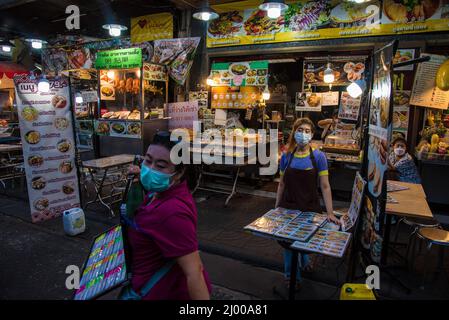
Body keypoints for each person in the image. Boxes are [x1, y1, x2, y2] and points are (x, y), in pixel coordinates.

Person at [123, 131, 211, 300]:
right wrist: (140, 176)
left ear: (178, 173)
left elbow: (195, 272)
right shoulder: (160, 191)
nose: (150, 169)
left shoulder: (172, 213)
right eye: (148, 160)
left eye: (161, 166)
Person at [276, 118, 339, 289]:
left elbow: (325, 186)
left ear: (311, 135)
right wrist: (276, 207)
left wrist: (330, 212)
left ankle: (304, 261)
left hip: (310, 205)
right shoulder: (286, 156)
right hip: (288, 205)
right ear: (294, 132)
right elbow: (281, 183)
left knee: (304, 239)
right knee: (288, 243)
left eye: (307, 131)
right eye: (300, 130)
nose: (303, 134)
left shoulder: (318, 157)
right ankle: (291, 276)